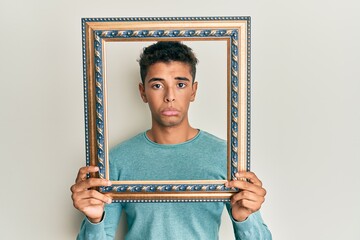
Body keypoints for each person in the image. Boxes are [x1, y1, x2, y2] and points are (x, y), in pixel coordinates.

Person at [71, 41, 271, 239]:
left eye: (180, 84)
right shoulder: (115, 160)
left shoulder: (226, 156)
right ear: (143, 92)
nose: (170, 96)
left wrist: (245, 218)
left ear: (193, 91)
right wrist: (94, 221)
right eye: (157, 85)